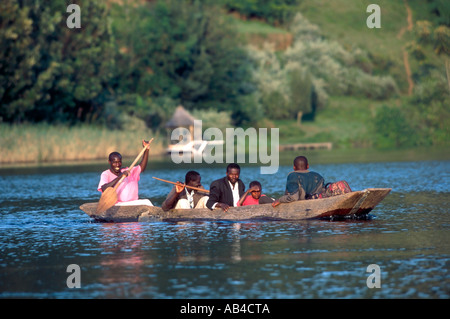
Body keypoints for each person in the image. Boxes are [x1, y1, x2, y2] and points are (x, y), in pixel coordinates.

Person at [97, 140, 153, 206]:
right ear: (110, 162)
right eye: (114, 162)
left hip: (133, 203)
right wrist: (120, 176)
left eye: (119, 162)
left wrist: (146, 150)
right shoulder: (106, 174)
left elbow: (142, 167)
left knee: (147, 202)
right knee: (146, 203)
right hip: (118, 204)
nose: (117, 164)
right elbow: (104, 188)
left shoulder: (128, 170)